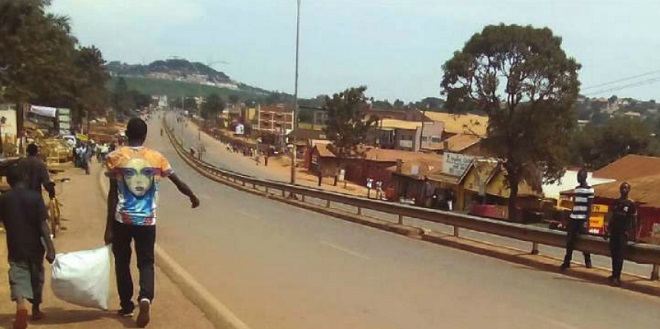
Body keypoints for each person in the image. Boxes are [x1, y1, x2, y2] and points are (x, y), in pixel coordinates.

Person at [104, 118, 200, 328]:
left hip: (122, 219)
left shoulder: (115, 157)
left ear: (127, 134)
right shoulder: (157, 158)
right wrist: (192, 196)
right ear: (145, 135)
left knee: (122, 262)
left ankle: (126, 304)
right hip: (147, 220)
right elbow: (177, 182)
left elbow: (113, 194)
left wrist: (108, 227)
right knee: (146, 262)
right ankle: (145, 298)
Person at [0, 165, 56, 328]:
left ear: (9, 181)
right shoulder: (35, 198)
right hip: (35, 246)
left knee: (17, 274)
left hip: (15, 244)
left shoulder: (4, 199)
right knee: (36, 275)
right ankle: (36, 309)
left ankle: (20, 305)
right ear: (25, 178)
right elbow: (43, 226)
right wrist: (50, 248)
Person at [560, 169, 593, 271]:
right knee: (570, 241)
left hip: (582, 219)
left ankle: (588, 260)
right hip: (574, 217)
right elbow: (575, 204)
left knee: (585, 240)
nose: (578, 178)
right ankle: (567, 261)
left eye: (580, 176)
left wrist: (586, 220)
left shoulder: (590, 190)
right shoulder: (576, 189)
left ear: (584, 177)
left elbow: (589, 206)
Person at [605, 182, 637, 287]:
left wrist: (634, 234)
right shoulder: (616, 202)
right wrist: (608, 229)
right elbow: (612, 217)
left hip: (623, 233)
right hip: (614, 231)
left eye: (626, 188)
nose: (624, 190)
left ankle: (617, 277)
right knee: (614, 254)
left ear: (629, 190)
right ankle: (613, 274)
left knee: (620, 256)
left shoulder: (631, 204)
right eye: (622, 188)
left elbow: (634, 219)